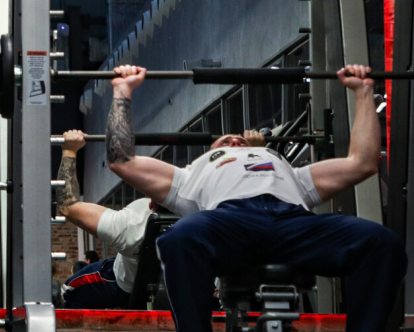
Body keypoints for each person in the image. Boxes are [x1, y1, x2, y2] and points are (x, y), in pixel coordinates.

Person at [105, 63, 407, 332]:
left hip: (293, 221)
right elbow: (121, 160)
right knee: (177, 239)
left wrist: (364, 91)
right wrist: (122, 92)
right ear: (210, 152)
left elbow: (363, 163)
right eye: (223, 142)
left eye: (239, 139)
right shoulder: (190, 175)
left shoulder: (288, 169)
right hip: (231, 223)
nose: (234, 140)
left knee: (381, 243)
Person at [54, 129, 266, 309]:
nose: (234, 143)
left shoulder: (131, 224)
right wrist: (258, 152)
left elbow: (68, 206)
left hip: (128, 287)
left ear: (150, 203)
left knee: (69, 292)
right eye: (226, 143)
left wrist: (69, 150)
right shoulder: (221, 210)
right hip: (194, 290)